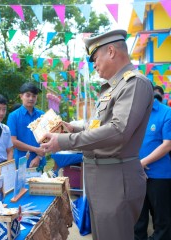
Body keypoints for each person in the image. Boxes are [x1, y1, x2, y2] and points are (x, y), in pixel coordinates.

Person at [41, 29, 154, 240]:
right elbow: (99, 126)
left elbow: (118, 131)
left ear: (111, 51)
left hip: (115, 179)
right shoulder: (112, 88)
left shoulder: (134, 83)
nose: (94, 65)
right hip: (102, 178)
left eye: (95, 58)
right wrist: (73, 129)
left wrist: (65, 141)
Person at [134, 88, 171, 240]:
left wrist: (143, 162)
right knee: (138, 219)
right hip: (136, 174)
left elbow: (167, 145)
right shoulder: (134, 114)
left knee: (162, 220)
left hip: (159, 176)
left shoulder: (166, 112)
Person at [7, 82, 46, 168]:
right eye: (28, 95)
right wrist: (36, 149)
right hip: (21, 163)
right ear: (21, 96)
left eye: (34, 96)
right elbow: (13, 142)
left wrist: (38, 157)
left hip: (39, 163)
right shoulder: (13, 116)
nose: (31, 98)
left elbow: (47, 140)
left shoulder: (42, 115)